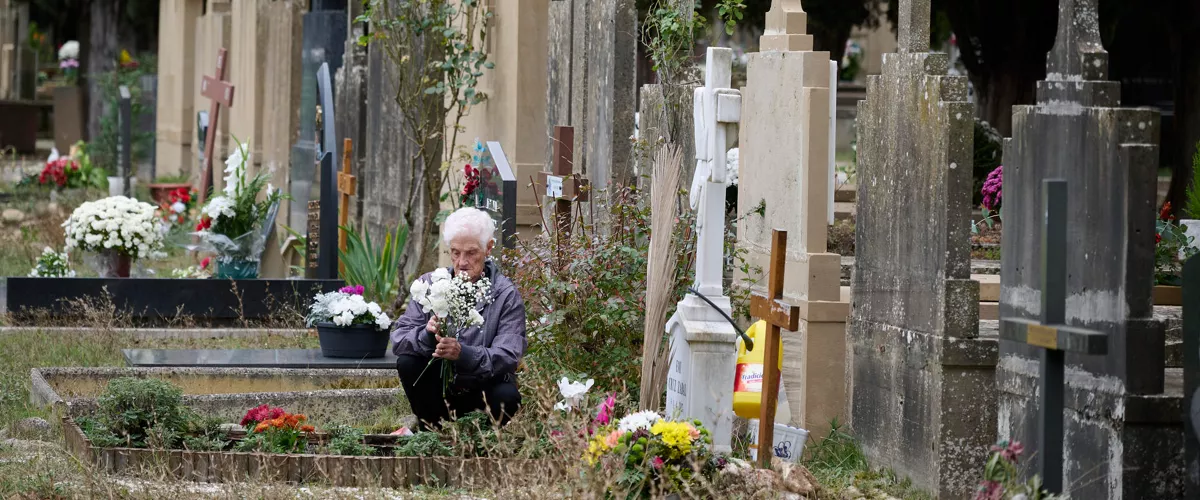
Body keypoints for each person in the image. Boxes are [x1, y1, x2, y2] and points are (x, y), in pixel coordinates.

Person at [391, 207, 527, 430]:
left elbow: (508, 356)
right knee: (408, 362)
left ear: (488, 248)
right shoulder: (431, 284)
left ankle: (484, 440)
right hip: (438, 390)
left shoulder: (505, 294)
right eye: (455, 252)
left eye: (471, 253)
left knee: (508, 394)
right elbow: (399, 339)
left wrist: (463, 354)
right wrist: (427, 335)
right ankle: (433, 432)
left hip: (483, 389)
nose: (462, 261)